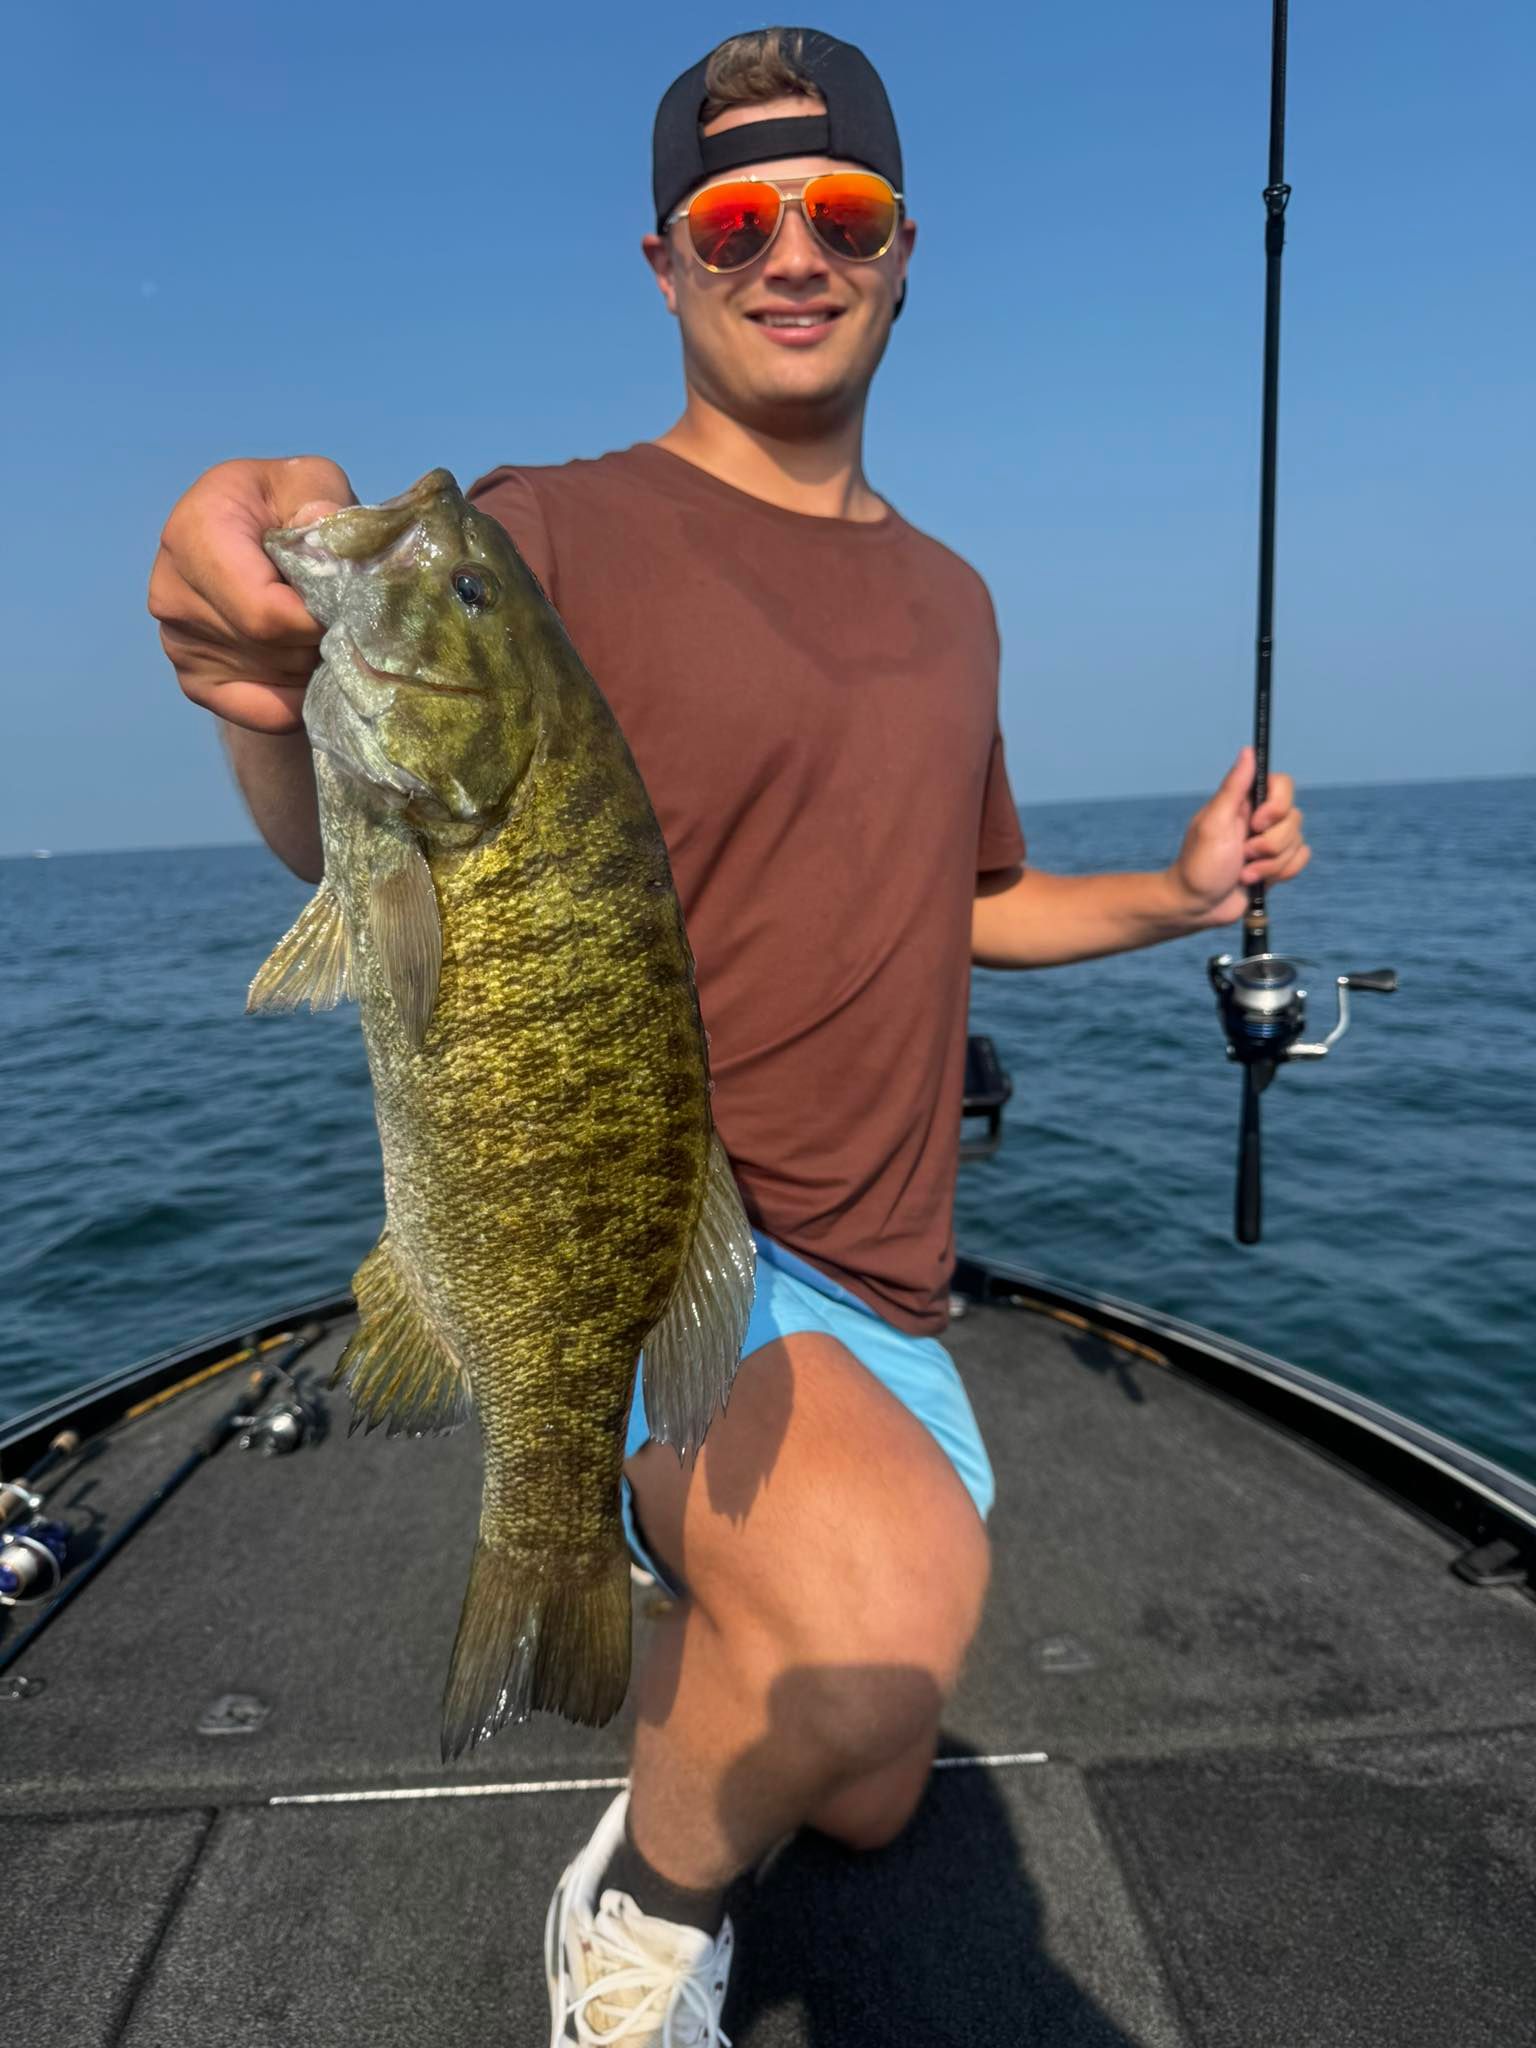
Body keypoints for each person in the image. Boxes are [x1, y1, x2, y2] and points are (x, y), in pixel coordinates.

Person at [149, 27, 1310, 2044]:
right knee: (872, 1631)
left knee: (864, 1785)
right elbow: (364, 796)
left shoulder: (953, 598)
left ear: (903, 248)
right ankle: (640, 1913)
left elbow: (961, 905)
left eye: (836, 213)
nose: (792, 252)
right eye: (736, 218)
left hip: (897, 1291)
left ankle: (752, 1598)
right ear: (667, 264)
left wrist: (1183, 895)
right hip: (667, 1239)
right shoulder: (546, 535)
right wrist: (253, 646)